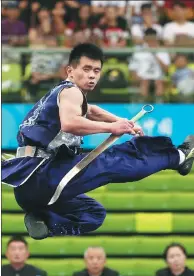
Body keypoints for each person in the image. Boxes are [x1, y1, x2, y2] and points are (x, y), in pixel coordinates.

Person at [2, 43, 194, 240]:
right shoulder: (71, 92)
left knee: (93, 213)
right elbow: (70, 123)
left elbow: (91, 110)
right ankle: (178, 157)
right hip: (44, 175)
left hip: (27, 190)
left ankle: (42, 220)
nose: (92, 75)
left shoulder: (60, 94)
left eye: (96, 70)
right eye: (86, 69)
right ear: (70, 70)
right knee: (114, 159)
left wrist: (121, 122)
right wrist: (112, 128)